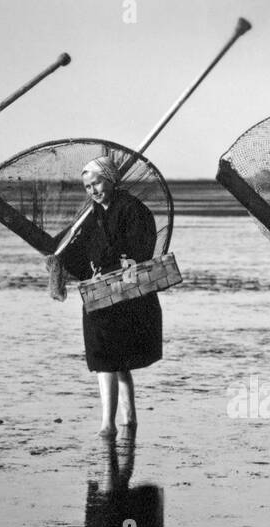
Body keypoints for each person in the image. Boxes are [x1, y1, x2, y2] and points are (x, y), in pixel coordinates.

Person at [56, 156, 163, 438]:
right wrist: (60, 258)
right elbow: (80, 254)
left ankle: (111, 424)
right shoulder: (90, 215)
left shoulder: (132, 209)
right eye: (88, 186)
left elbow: (141, 249)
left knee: (115, 360)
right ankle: (125, 419)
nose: (93, 190)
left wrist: (122, 262)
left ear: (112, 180)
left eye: (97, 183)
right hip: (99, 294)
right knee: (108, 358)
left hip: (126, 294)